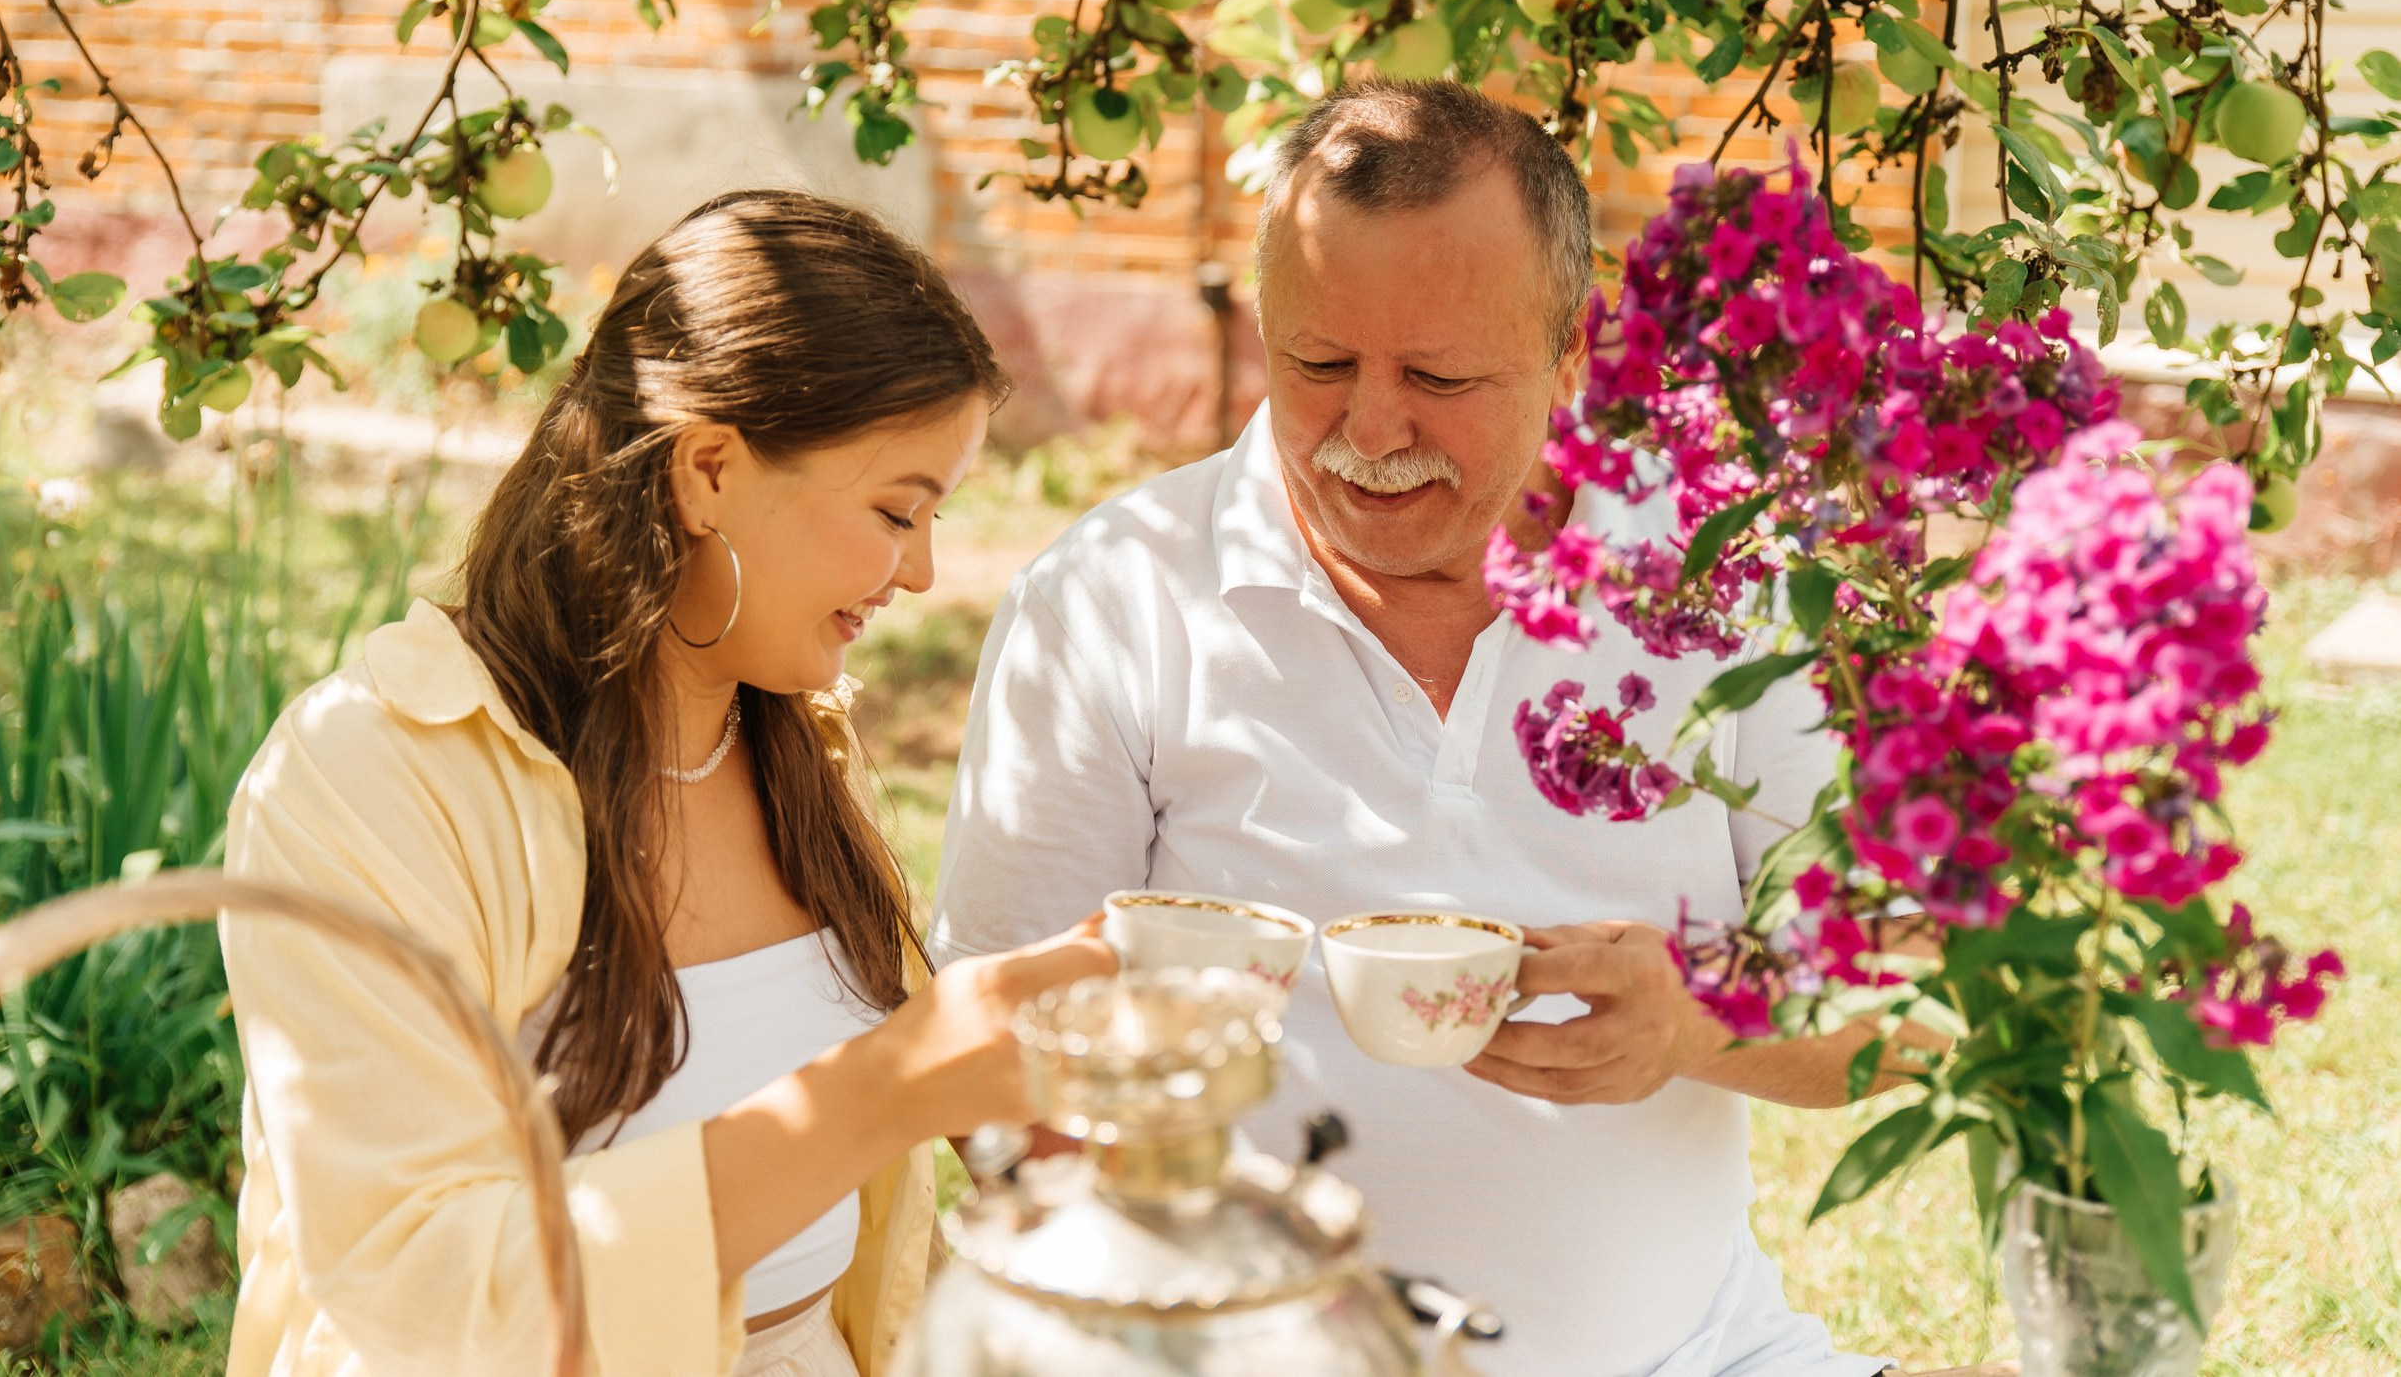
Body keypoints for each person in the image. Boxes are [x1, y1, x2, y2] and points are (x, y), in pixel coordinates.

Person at [931, 82, 1892, 1377]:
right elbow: (995, 1059)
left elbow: (1904, 997)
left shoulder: (1724, 586)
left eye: (1437, 377)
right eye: (1316, 364)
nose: (1367, 431)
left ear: (1571, 356)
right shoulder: (1114, 600)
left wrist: (1693, 1031)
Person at [221, 191, 1112, 1377]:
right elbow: (422, 1287)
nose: (923, 569)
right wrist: (884, 1087)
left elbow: (854, 1243)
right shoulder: (366, 781)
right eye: (898, 509)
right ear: (706, 471)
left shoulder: (797, 751)